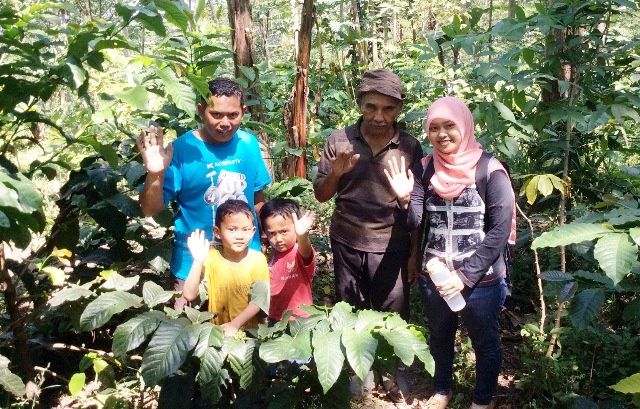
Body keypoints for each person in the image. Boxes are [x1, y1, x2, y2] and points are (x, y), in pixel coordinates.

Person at [385, 96, 513, 409]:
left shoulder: (490, 170)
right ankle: (442, 390)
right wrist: (404, 199)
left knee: (485, 342)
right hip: (436, 276)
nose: (441, 134)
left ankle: (481, 401)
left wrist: (466, 276)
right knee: (440, 337)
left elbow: (499, 231)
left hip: (480, 280)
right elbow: (415, 220)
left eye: (449, 126)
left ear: (465, 126)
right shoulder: (426, 168)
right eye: (434, 128)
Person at [313, 68, 423, 401]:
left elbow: (415, 207)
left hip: (393, 244)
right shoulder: (340, 141)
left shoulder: (409, 147)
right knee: (352, 308)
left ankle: (393, 373)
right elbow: (321, 194)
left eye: (388, 108)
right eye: (371, 107)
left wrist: (414, 253)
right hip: (347, 239)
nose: (379, 116)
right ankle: (360, 372)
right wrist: (336, 173)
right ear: (360, 104)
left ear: (399, 109)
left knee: (394, 313)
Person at [136, 77, 272, 310]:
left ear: (244, 111)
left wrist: (270, 238)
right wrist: (155, 174)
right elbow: (149, 209)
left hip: (245, 263)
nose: (225, 123)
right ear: (201, 111)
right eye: (216, 114)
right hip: (194, 267)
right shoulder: (181, 150)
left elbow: (257, 201)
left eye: (233, 115)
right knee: (187, 335)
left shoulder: (249, 144)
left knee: (244, 337)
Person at [182, 200, 269, 336]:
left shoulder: (257, 260)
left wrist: (234, 324)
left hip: (251, 335)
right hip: (218, 333)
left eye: (245, 230)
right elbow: (189, 295)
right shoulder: (210, 258)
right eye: (232, 229)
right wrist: (198, 261)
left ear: (253, 232)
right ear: (217, 232)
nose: (239, 236)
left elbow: (258, 301)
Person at [259, 198, 316, 322]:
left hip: (300, 319)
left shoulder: (298, 252)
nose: (278, 238)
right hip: (275, 318)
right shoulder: (270, 257)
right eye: (272, 233)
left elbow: (306, 250)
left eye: (284, 231)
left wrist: (302, 235)